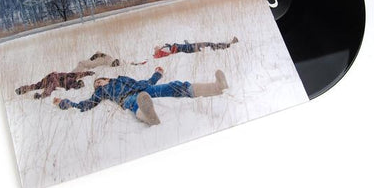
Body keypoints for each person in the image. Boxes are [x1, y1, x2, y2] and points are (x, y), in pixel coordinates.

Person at [53, 67, 229, 126]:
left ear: (107, 78)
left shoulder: (121, 78)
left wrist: (157, 74)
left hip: (144, 89)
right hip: (128, 98)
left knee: (172, 86)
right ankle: (148, 116)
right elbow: (85, 104)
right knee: (134, 102)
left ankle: (215, 87)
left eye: (99, 81)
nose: (98, 84)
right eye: (96, 84)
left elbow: (144, 82)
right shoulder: (101, 92)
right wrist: (63, 103)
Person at [15, 70, 95, 99]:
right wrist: (88, 73)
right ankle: (41, 95)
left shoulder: (72, 86)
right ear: (78, 82)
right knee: (46, 85)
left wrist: (88, 73)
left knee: (38, 86)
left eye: (79, 86)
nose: (78, 86)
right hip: (54, 77)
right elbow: (80, 74)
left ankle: (22, 90)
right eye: (79, 85)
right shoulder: (73, 77)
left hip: (53, 78)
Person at [153, 37, 238, 59]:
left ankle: (227, 44)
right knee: (208, 44)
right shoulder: (162, 51)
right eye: (156, 49)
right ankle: (227, 44)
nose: (157, 47)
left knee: (208, 44)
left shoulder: (163, 50)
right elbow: (170, 51)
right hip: (189, 48)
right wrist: (160, 50)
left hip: (188, 47)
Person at [72, 51, 147, 72]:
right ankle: (72, 74)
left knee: (82, 62)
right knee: (82, 63)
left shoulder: (108, 59)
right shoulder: (108, 59)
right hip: (104, 59)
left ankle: (72, 74)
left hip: (105, 60)